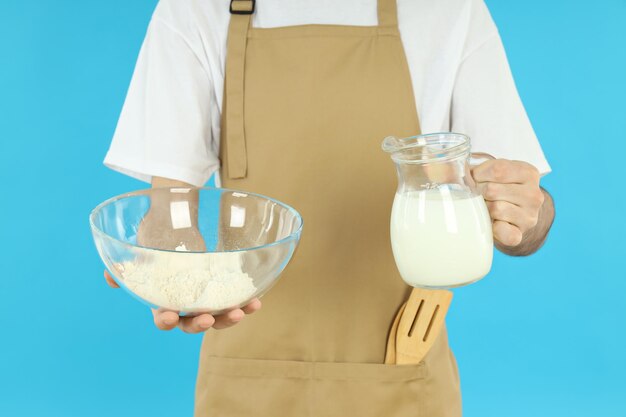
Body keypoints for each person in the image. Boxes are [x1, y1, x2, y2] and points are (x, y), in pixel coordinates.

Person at [102, 0, 555, 415]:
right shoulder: (195, 10)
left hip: (402, 371)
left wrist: (525, 214)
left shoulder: (448, 10)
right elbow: (167, 214)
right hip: (244, 375)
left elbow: (521, 214)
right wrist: (167, 269)